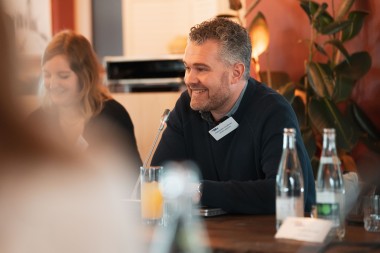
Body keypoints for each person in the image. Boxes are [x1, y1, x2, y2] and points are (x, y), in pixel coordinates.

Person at [151, 17, 316, 214]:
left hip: (268, 239)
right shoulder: (187, 106)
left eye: (201, 69)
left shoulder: (273, 111)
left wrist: (199, 190)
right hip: (210, 236)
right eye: (187, 68)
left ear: (236, 73)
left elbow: (284, 191)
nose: (189, 79)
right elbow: (158, 178)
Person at [27, 30, 142, 179]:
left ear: (85, 76)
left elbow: (132, 180)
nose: (53, 84)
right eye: (47, 75)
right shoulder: (36, 121)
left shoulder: (112, 117)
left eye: (63, 76)